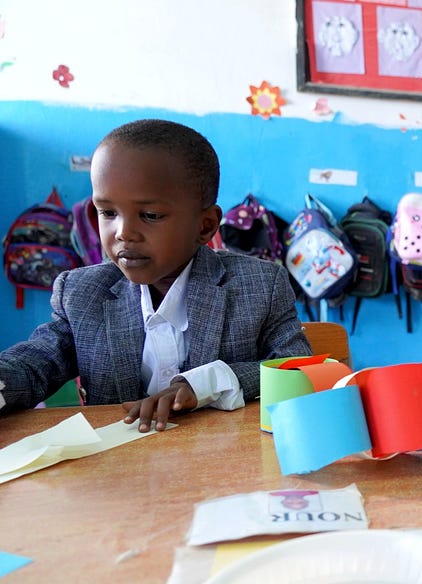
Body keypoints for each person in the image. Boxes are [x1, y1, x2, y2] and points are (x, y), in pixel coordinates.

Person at [0, 119, 311, 432]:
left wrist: (206, 384)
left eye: (149, 215)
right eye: (107, 212)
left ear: (204, 226)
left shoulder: (259, 285)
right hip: (117, 471)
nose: (123, 233)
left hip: (223, 467)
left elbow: (298, 370)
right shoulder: (82, 292)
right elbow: (35, 364)